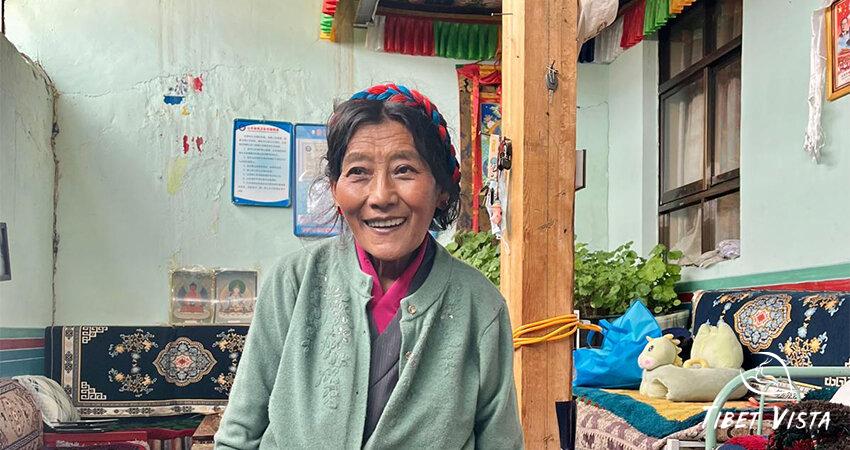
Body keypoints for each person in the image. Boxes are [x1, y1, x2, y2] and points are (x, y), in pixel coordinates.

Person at [215, 84, 523, 449]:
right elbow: (239, 436)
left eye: (404, 169)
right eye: (358, 172)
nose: (380, 197)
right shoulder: (294, 283)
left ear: (442, 188)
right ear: (335, 188)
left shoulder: (480, 307)